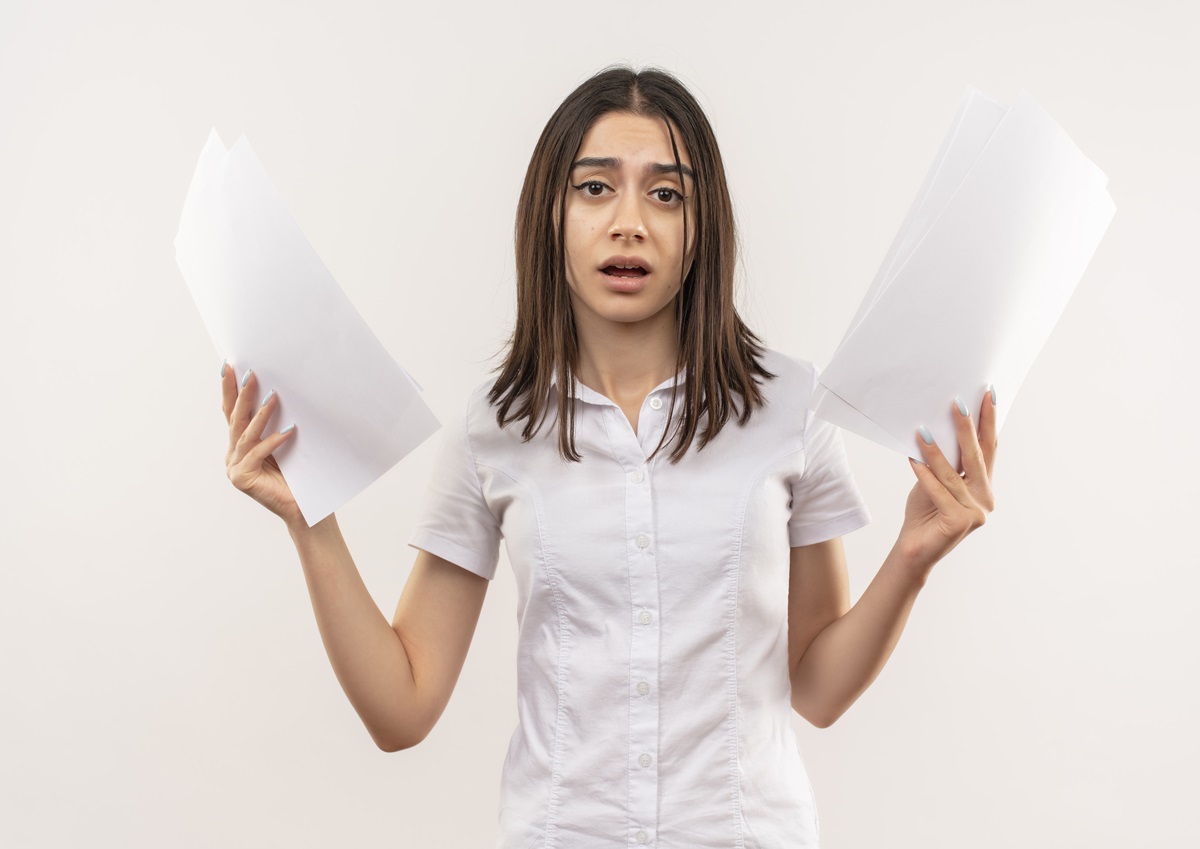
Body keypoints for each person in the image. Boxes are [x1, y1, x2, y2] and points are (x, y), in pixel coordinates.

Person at [218, 66, 997, 848]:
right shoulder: (494, 427)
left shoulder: (790, 409)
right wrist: (306, 517)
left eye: (666, 194)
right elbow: (402, 708)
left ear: (703, 228)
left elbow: (819, 689)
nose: (630, 223)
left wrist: (911, 557)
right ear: (550, 215)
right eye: (595, 188)